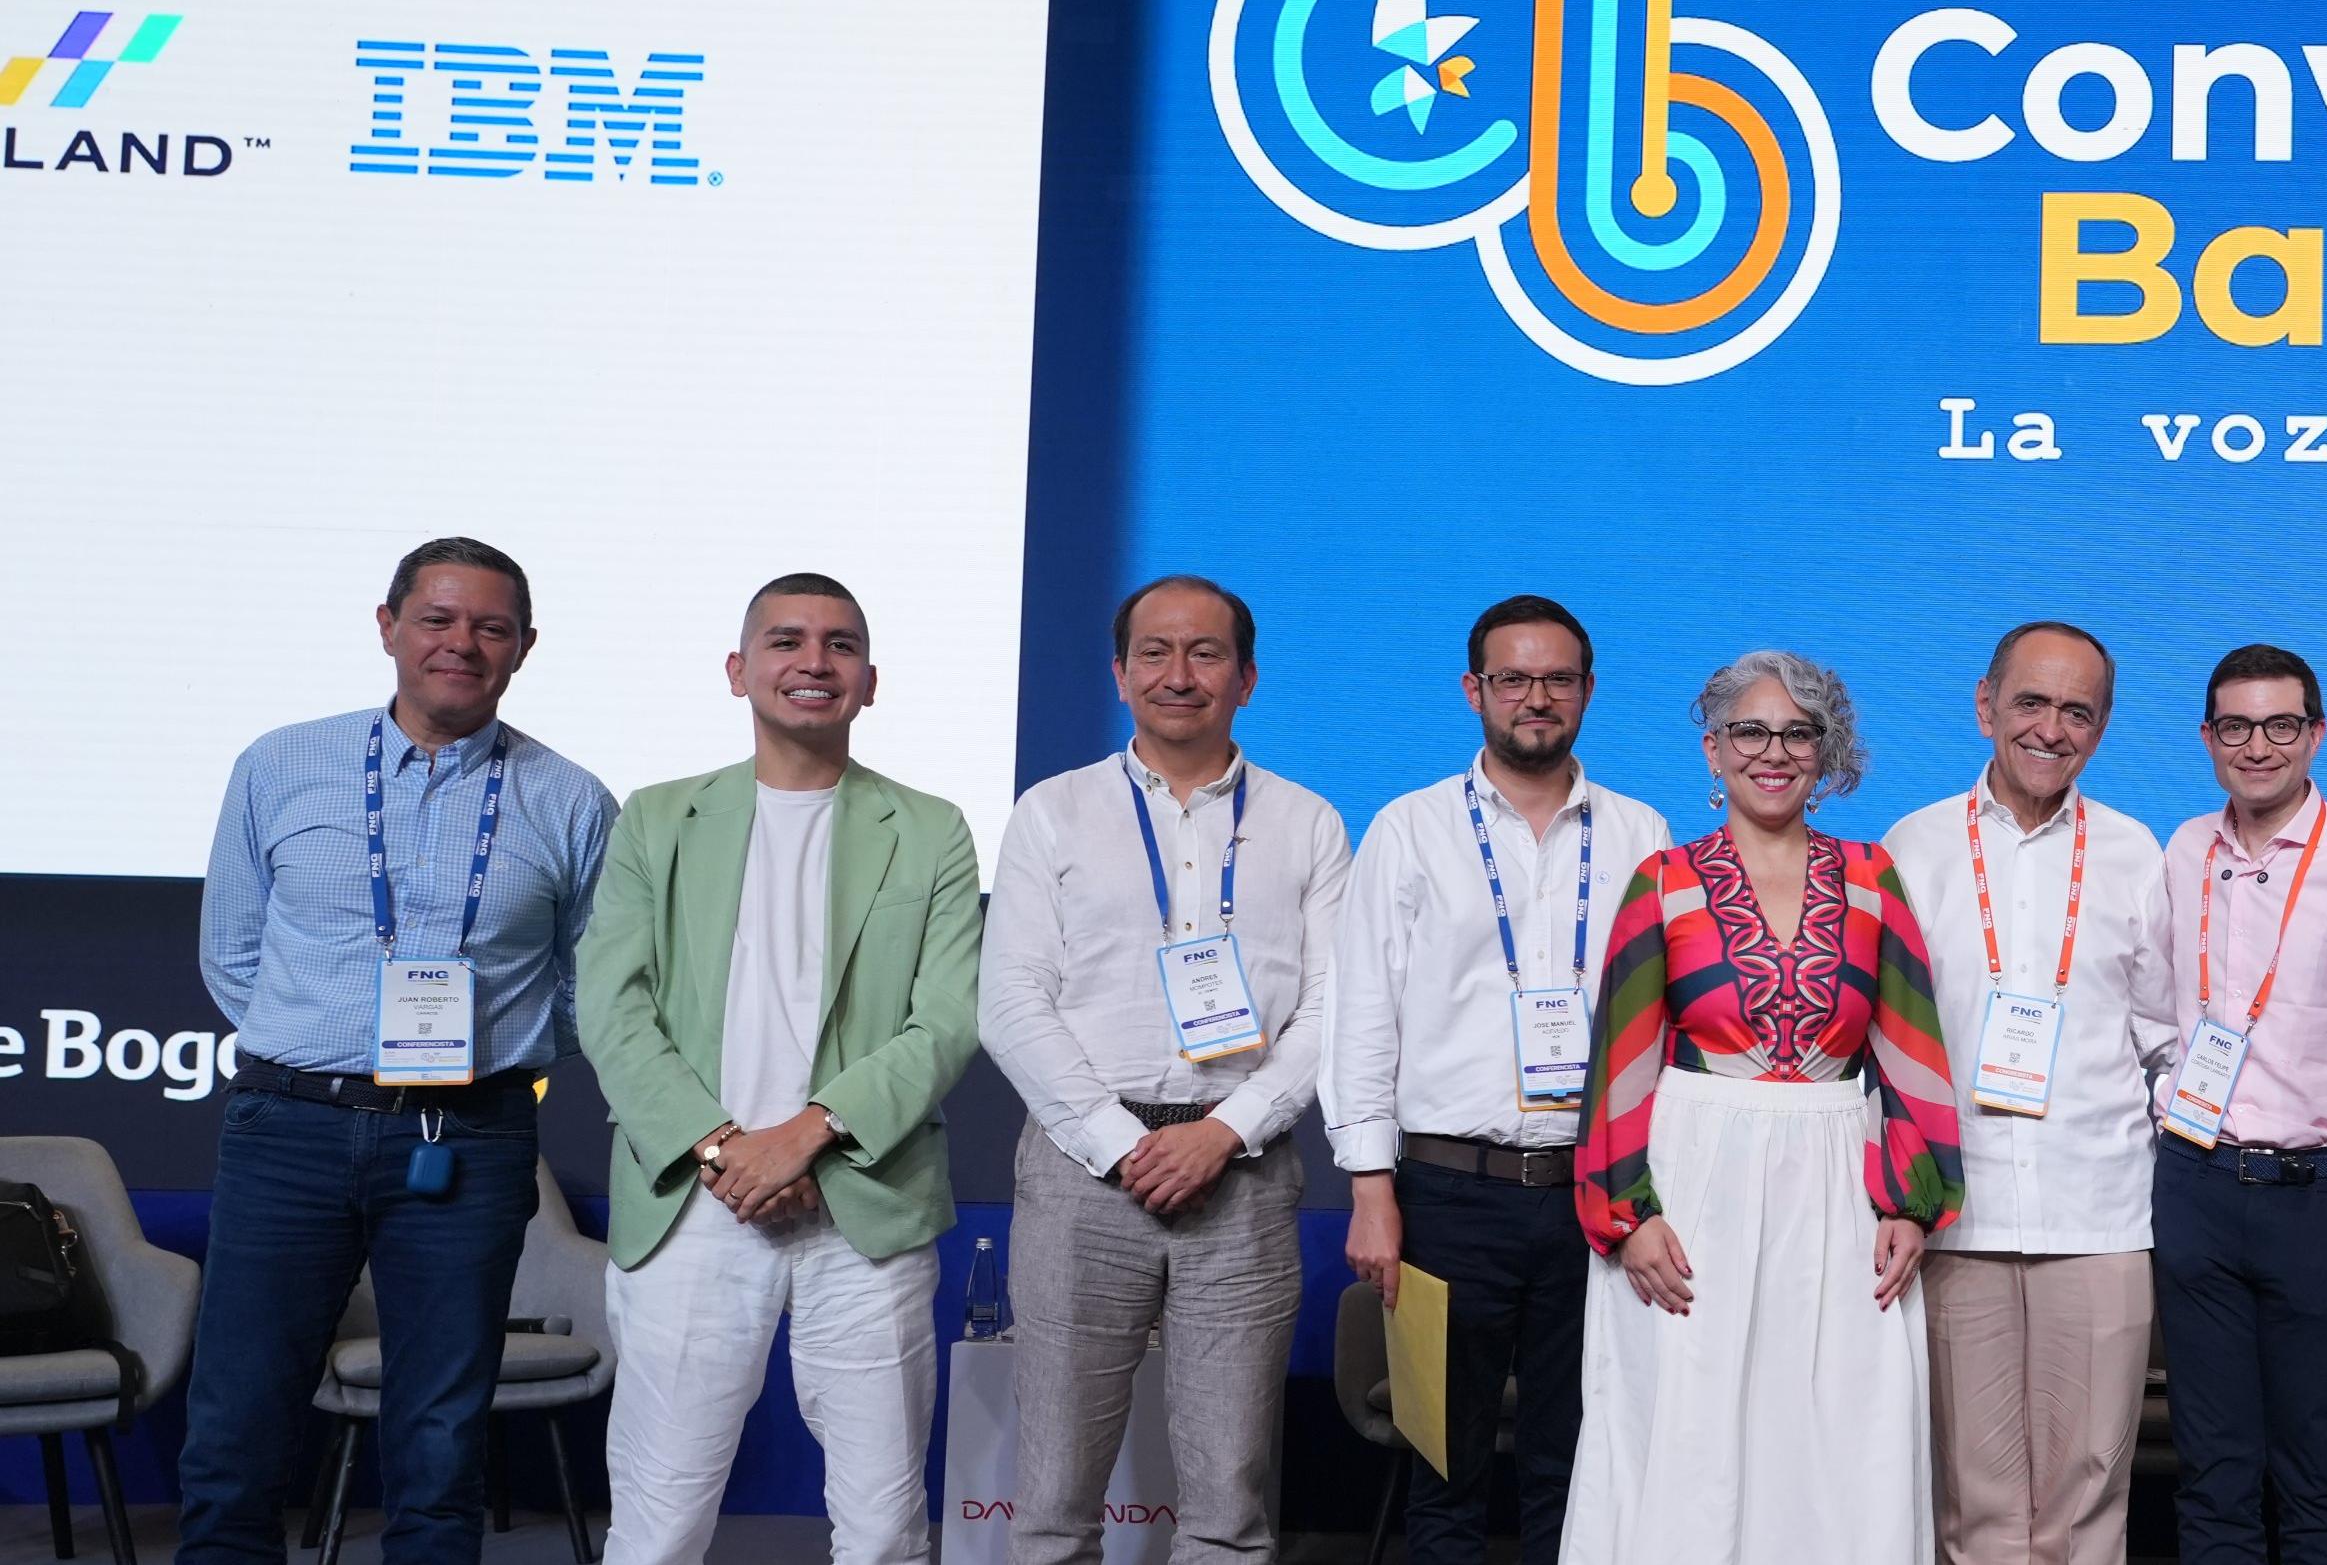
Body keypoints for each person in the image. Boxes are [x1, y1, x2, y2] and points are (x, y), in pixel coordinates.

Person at [183, 538, 618, 1565]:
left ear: (523, 648)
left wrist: (490, 1057)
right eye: (437, 619)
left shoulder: (571, 799)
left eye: (490, 627)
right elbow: (232, 952)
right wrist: (325, 1054)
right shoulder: (280, 764)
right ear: (387, 626)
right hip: (288, 1127)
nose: (461, 643)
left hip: (469, 1139)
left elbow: (584, 984)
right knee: (235, 1429)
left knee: (440, 1440)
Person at [577, 573, 988, 1565]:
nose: (814, 661)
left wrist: (804, 1135)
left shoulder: (930, 828)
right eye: (787, 640)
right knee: (659, 1520)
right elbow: (610, 1002)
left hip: (861, 1201)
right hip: (693, 1204)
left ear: (870, 679)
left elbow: (945, 1020)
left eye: (840, 644)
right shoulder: (657, 818)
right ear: (739, 669)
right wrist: (723, 1147)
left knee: (886, 1525)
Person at [1564, 650, 1961, 1565]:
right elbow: (1619, 1061)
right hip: (1693, 1186)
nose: (1772, 750)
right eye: (1749, 729)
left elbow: (1911, 1051)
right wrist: (1628, 1219)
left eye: (1797, 731)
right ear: (1712, 750)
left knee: (1837, 1435)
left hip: (1840, 1187)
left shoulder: (1872, 876)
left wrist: (1913, 1202)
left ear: (1826, 754)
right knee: (1686, 1430)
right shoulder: (1660, 879)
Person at [981, 576, 1347, 1565]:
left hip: (1243, 1171)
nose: (1177, 674)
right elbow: (1011, 1002)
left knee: (1229, 1498)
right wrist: (1121, 1142)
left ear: (1247, 677)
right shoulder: (1051, 813)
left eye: (1203, 653)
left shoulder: (1309, 821)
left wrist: (1224, 1130)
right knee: (1054, 1491)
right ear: (1119, 673)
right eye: (1154, 652)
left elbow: (1332, 1007)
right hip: (1079, 1172)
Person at [1327, 594, 1674, 1565]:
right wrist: (1369, 1190)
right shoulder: (1408, 829)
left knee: (1583, 1464)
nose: (1535, 698)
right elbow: (1362, 1016)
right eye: (1512, 678)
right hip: (1442, 1196)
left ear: (1589, 692)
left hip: (1597, 1201)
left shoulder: (1642, 832)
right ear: (1473, 690)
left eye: (1556, 679)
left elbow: (1666, 1022)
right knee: (1445, 1467)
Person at [1878, 622, 2174, 1565]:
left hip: (2098, 1215)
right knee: (1973, 1502)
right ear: (1985, 706)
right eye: (2032, 702)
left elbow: (2166, 1042)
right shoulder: (1910, 848)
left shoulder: (2137, 854)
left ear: (2103, 726)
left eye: (2077, 711)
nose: (2052, 728)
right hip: (1954, 1220)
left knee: (2089, 1497)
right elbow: (1882, 1046)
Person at [2149, 644, 2327, 1565]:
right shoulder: (2182, 849)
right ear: (2207, 737)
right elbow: (2154, 1006)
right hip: (2197, 1182)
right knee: (2211, 1475)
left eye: (2281, 724)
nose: (2258, 746)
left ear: (2317, 733)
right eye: (2236, 726)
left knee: (2321, 1475)